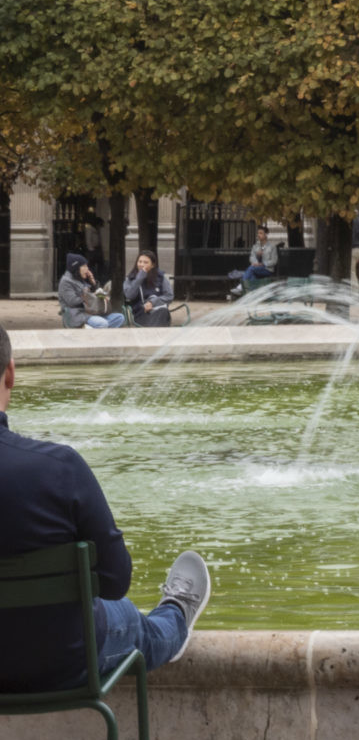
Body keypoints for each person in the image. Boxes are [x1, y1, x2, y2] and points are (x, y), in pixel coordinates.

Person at [0, 324, 210, 692]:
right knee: (127, 618)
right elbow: (115, 581)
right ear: (11, 373)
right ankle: (176, 614)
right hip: (63, 662)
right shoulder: (60, 468)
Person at [58, 253, 125, 330]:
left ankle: (92, 329)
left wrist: (93, 283)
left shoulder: (80, 279)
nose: (87, 269)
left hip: (93, 312)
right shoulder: (66, 282)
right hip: (79, 315)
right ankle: (93, 329)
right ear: (76, 268)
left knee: (120, 318)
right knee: (103, 323)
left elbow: (95, 293)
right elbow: (72, 301)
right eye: (84, 266)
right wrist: (88, 296)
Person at [123, 251, 173, 328]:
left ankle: (152, 336)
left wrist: (152, 302)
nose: (142, 265)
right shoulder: (130, 278)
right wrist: (140, 277)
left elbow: (169, 296)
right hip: (141, 314)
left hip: (158, 310)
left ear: (152, 265)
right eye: (140, 262)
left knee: (163, 312)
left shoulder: (160, 277)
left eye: (145, 262)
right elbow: (129, 295)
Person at [235, 226, 281, 293]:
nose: (258, 235)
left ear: (266, 234)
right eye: (258, 233)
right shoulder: (255, 246)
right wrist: (256, 262)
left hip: (267, 269)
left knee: (251, 268)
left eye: (261, 233)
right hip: (257, 268)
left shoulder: (272, 246)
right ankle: (253, 293)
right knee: (252, 275)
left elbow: (274, 261)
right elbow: (251, 257)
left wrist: (263, 263)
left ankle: (241, 286)